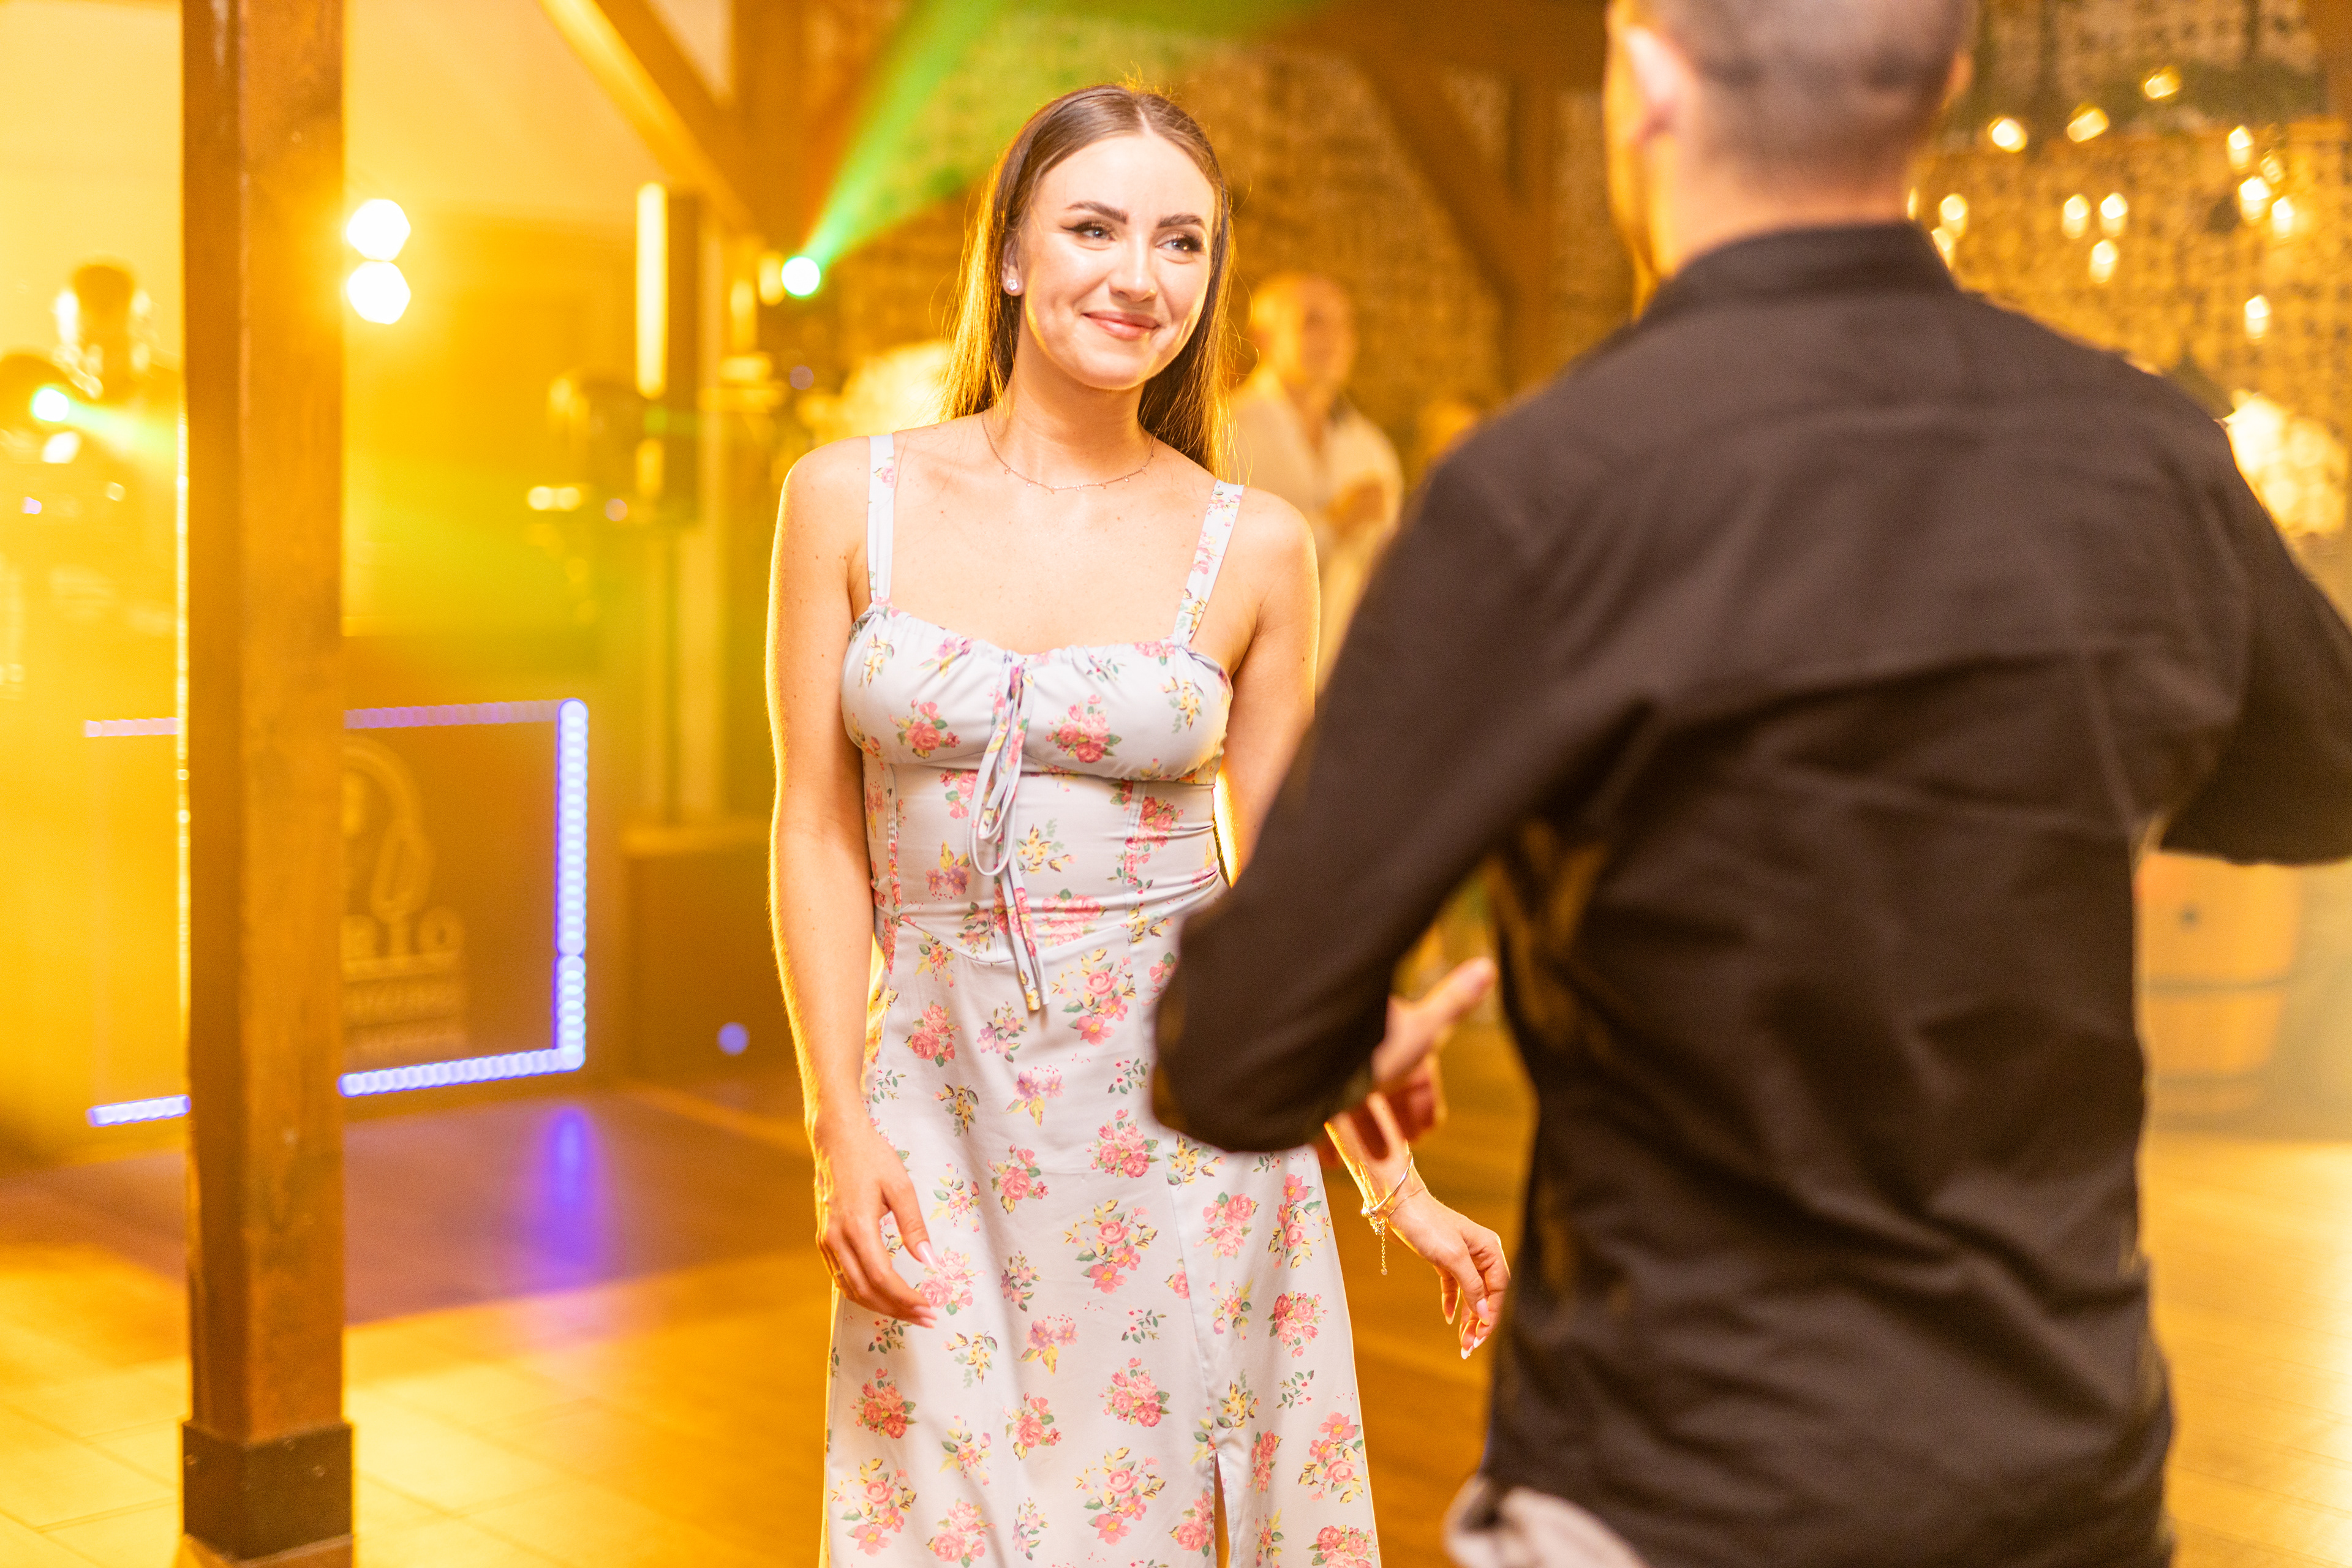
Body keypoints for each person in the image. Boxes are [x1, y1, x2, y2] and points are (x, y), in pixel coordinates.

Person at [1150, 2, 2352, 1566]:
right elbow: (2322, 780)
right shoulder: (2143, 455)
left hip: (1677, 1480)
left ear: (1648, 77)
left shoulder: (1547, 490)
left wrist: (1339, 1029)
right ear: (1946, 84)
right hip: (2062, 1468)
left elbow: (1235, 1052)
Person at [767, 85, 1506, 1564]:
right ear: (1011, 254)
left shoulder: (1257, 543)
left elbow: (1286, 905)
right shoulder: (848, 500)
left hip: (1182, 1135)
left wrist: (1394, 1179)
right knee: (935, 1524)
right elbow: (814, 830)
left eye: (1181, 242)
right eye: (1094, 228)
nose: (1139, 275)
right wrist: (837, 1121)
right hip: (936, 1109)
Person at [1230, 274, 1402, 679]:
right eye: (1313, 322)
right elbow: (1218, 561)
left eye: (1345, 324)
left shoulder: (1372, 450)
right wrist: (1333, 526)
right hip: (1244, 675)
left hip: (1347, 678)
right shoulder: (1227, 433)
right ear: (1264, 337)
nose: (1335, 338)